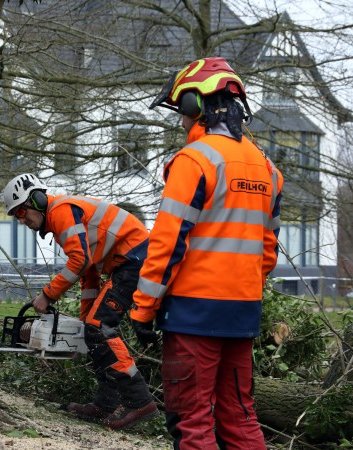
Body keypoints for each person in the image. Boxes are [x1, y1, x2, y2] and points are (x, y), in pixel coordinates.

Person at [129, 57, 283, 449]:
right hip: (243, 310)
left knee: (192, 418)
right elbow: (267, 252)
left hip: (193, 314)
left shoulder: (194, 161)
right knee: (239, 416)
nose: (180, 121)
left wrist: (143, 308)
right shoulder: (268, 169)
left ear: (195, 105)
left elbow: (166, 244)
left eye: (181, 110)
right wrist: (242, 291)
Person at [2, 173, 158, 430]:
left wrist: (47, 295)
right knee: (94, 328)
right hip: (126, 263)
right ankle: (106, 404)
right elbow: (89, 274)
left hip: (135, 260)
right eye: (17, 216)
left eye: (21, 213)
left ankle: (139, 401)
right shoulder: (58, 221)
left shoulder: (62, 211)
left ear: (38, 200)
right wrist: (86, 321)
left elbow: (80, 261)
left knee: (101, 328)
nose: (23, 221)